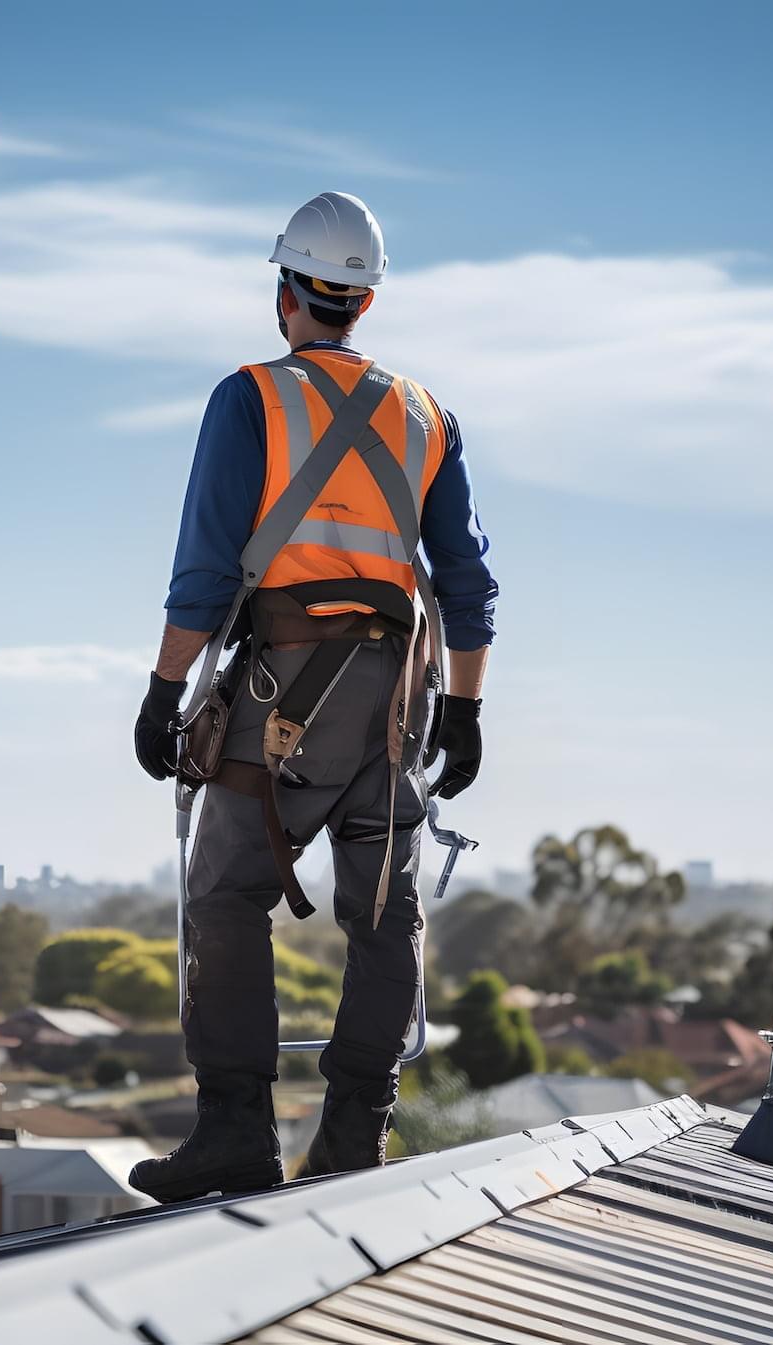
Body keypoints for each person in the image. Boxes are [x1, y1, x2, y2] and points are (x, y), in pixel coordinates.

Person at [129, 191, 496, 1203]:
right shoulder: (427, 415)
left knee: (226, 894)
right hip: (397, 699)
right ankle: (352, 1142)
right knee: (386, 914)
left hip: (283, 688)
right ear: (363, 306)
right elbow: (466, 583)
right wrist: (464, 711)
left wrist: (164, 693)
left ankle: (237, 1131)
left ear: (284, 294)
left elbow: (205, 572)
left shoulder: (251, 397)